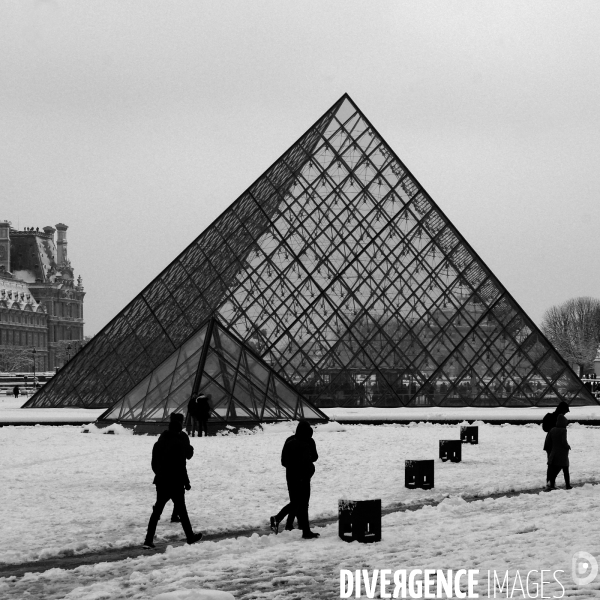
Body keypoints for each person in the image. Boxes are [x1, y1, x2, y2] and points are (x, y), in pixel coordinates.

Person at [143, 412, 203, 549]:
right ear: (179, 429)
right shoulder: (180, 442)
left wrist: (160, 474)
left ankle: (148, 540)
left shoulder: (158, 443)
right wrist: (186, 482)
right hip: (176, 482)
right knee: (182, 511)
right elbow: (182, 464)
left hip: (161, 481)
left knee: (156, 512)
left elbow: (154, 464)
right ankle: (190, 537)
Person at [270, 420, 320, 539]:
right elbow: (315, 457)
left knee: (295, 503)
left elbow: (283, 461)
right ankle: (304, 530)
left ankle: (280, 520)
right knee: (303, 503)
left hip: (291, 476)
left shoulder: (289, 440)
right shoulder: (308, 441)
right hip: (304, 476)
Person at [543, 414, 572, 490]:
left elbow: (548, 441)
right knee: (565, 469)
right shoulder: (563, 430)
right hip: (562, 454)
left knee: (555, 469)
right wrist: (568, 447)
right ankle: (568, 485)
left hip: (554, 452)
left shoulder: (552, 430)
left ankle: (551, 484)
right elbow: (564, 441)